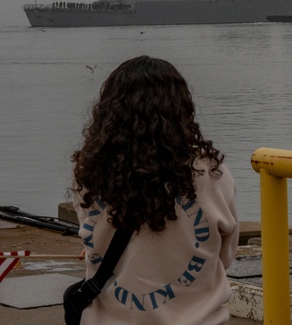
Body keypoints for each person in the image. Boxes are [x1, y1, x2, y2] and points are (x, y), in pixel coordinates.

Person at [70, 55, 239, 324]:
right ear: (182, 108)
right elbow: (224, 256)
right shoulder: (212, 173)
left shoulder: (90, 171)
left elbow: (91, 242)